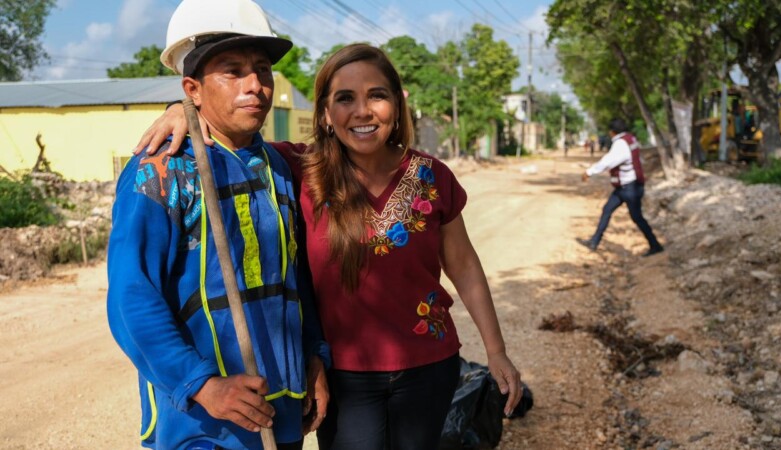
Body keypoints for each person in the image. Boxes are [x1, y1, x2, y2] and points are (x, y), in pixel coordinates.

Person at [137, 43, 523, 450]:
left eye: (377, 95)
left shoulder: (432, 176)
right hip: (342, 376)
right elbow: (228, 132)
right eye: (345, 98)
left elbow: (463, 265)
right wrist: (183, 110)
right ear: (324, 112)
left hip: (429, 366)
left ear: (397, 104)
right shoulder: (299, 170)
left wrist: (496, 351)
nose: (362, 111)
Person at [106, 1, 330, 449]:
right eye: (232, 72)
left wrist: (315, 356)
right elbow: (131, 295)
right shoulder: (162, 172)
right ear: (193, 88)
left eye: (262, 70)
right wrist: (202, 383)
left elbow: (296, 278)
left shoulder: (279, 168)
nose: (255, 87)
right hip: (200, 424)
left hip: (280, 410)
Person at [577, 118, 664, 256]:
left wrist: (589, 172)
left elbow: (608, 161)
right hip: (626, 187)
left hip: (630, 188)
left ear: (612, 132)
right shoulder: (631, 139)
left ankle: (655, 245)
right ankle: (594, 241)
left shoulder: (620, 143)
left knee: (637, 217)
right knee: (607, 210)